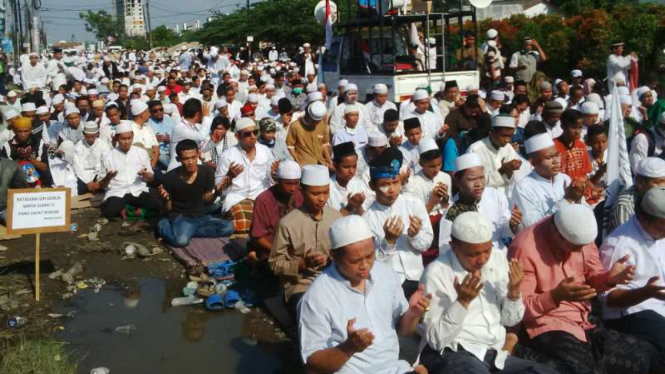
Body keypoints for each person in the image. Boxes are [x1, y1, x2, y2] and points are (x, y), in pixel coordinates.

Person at [509, 204, 652, 374]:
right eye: (574, 247)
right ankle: (522, 352)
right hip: (546, 324)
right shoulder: (525, 248)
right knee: (582, 368)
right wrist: (555, 296)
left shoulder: (582, 237)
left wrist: (608, 279)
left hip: (585, 321)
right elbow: (519, 308)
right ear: (557, 234)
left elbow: (593, 278)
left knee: (640, 354)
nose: (580, 250)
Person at [420, 212, 556, 374]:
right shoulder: (436, 274)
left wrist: (513, 292)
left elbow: (511, 320)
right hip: (455, 352)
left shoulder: (497, 259)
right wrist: (462, 302)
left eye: (487, 250)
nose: (482, 259)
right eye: (473, 254)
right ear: (454, 247)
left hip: (495, 354)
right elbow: (436, 341)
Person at [298, 215, 430, 374]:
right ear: (334, 257)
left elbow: (404, 331)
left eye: (369, 256)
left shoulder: (385, 273)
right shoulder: (316, 297)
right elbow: (313, 366)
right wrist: (348, 348)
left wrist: (412, 314)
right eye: (355, 261)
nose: (365, 265)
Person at [601, 187, 665, 373]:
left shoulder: (659, 233)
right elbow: (610, 299)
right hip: (633, 312)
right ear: (644, 219)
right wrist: (645, 293)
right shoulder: (619, 245)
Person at [268, 165, 343, 322]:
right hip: (300, 286)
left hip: (333, 280)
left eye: (325, 192)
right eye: (315, 194)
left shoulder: (336, 218)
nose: (322, 198)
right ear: (301, 192)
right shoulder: (287, 223)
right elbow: (275, 264)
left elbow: (344, 253)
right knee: (313, 313)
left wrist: (333, 260)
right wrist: (302, 264)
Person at [362, 147, 433, 298]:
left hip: (417, 277)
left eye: (395, 182)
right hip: (390, 285)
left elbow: (426, 244)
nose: (392, 190)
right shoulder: (367, 219)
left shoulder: (414, 204)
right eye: (385, 184)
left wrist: (415, 235)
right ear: (372, 186)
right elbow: (375, 264)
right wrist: (389, 241)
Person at [156, 139, 233, 249]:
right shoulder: (170, 178)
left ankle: (189, 232)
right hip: (182, 217)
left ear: (198, 155)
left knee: (228, 228)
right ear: (178, 159)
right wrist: (166, 200)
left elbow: (207, 200)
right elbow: (168, 210)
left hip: (202, 215)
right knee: (180, 241)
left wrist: (216, 193)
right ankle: (163, 225)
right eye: (186, 159)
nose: (191, 162)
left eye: (193, 157)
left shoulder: (207, 172)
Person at [439, 153, 520, 252]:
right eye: (472, 179)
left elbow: (505, 232)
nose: (479, 184)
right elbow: (445, 249)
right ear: (458, 181)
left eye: (481, 177)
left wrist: (512, 225)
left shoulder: (496, 196)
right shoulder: (452, 213)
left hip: (500, 258)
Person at [215, 117, 276, 235]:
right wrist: (229, 177)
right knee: (243, 223)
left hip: (261, 195)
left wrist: (275, 173)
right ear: (237, 136)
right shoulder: (228, 156)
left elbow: (271, 178)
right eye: (248, 134)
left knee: (277, 217)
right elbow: (218, 187)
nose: (253, 136)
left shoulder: (265, 151)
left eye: (255, 132)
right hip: (238, 197)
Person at [511, 133, 585, 228]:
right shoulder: (523, 188)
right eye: (549, 158)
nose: (556, 161)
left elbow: (583, 213)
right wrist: (567, 199)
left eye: (557, 155)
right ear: (533, 162)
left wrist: (578, 198)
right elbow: (535, 227)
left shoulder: (565, 179)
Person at [100, 122, 162, 219]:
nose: (127, 142)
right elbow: (102, 185)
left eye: (129, 138)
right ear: (117, 139)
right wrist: (108, 178)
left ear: (133, 136)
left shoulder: (141, 152)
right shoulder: (109, 156)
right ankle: (134, 212)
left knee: (156, 206)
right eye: (123, 139)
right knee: (109, 211)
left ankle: (128, 212)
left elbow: (150, 178)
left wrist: (145, 175)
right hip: (117, 192)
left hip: (137, 189)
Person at [250, 160, 303, 262]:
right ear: (277, 181)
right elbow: (258, 237)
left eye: (296, 183)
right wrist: (281, 252)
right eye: (288, 184)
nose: (293, 188)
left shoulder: (300, 195)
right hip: (272, 250)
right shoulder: (263, 200)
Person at [468, 115, 521, 197]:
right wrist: (502, 170)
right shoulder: (475, 150)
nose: (507, 140)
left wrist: (510, 170)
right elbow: (473, 182)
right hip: (483, 199)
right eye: (504, 135)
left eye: (510, 136)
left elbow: (514, 182)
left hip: (504, 199)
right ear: (492, 132)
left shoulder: (508, 148)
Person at [609, 157, 665, 232]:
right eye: (659, 182)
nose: (663, 186)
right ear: (640, 182)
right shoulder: (624, 206)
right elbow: (627, 239)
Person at [287, 101, 333, 168]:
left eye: (318, 121)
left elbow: (324, 144)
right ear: (308, 115)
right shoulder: (295, 126)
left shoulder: (322, 125)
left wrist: (329, 161)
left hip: (321, 164)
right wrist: (298, 163)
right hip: (304, 165)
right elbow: (290, 147)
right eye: (314, 121)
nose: (316, 123)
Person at [327, 142, 368, 216]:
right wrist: (349, 207)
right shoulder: (328, 188)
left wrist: (358, 207)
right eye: (346, 167)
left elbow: (366, 217)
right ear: (335, 165)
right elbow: (330, 222)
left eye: (354, 166)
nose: (351, 171)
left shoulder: (359, 184)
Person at [72, 122, 111, 195]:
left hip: (99, 175)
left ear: (97, 134)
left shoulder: (103, 145)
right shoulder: (78, 146)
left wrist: (99, 180)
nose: (90, 139)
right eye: (87, 136)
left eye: (93, 136)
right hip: (83, 176)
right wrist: (88, 182)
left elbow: (105, 163)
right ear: (83, 134)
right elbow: (77, 166)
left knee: (108, 187)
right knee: (77, 189)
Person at [130, 100, 160, 169]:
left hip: (151, 166)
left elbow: (156, 146)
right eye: (148, 112)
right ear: (142, 114)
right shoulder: (129, 129)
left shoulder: (148, 128)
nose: (150, 114)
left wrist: (153, 164)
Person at [148, 100, 175, 170]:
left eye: (161, 109)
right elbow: (146, 142)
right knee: (161, 157)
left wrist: (170, 139)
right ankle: (175, 170)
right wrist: (155, 139)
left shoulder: (169, 119)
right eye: (155, 111)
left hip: (173, 149)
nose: (159, 112)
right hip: (160, 153)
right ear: (151, 112)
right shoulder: (148, 123)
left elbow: (177, 134)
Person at [0, 157, 27, 224]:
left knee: (21, 223)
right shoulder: (13, 166)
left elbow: (21, 193)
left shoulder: (12, 167)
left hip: (4, 208)